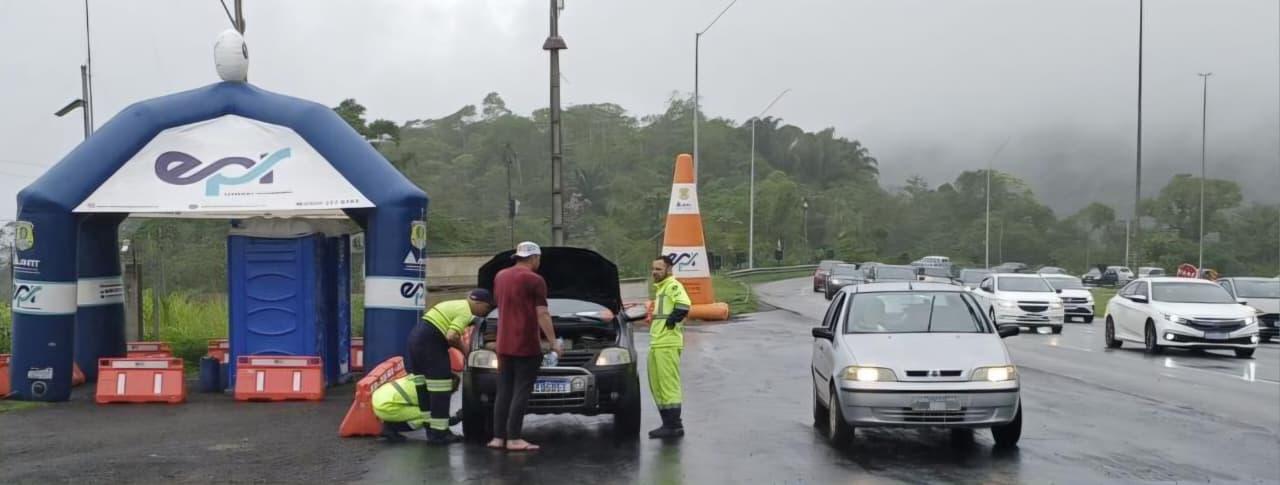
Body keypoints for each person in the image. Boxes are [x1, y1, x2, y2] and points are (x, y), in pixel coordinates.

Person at [486, 241, 560, 452]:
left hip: (503, 344)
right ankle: (515, 438)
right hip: (526, 344)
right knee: (521, 391)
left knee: (504, 391)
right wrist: (553, 343)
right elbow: (542, 313)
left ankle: (498, 437)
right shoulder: (535, 280)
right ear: (535, 258)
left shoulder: (500, 276)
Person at [402, 289, 494, 444]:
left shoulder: (454, 304)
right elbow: (451, 336)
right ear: (478, 303)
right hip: (431, 343)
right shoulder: (465, 311)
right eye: (486, 308)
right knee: (440, 388)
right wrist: (466, 351)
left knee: (423, 389)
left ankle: (432, 431)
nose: (485, 313)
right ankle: (440, 434)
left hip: (416, 339)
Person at [648, 255, 691, 439]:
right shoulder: (661, 289)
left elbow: (684, 304)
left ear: (669, 270)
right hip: (658, 342)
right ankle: (668, 424)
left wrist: (672, 321)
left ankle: (673, 425)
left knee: (668, 385)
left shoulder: (673, 285)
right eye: (653, 269)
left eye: (658, 269)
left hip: (667, 342)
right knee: (657, 385)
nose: (654, 272)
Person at [370, 373, 433, 444]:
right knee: (430, 415)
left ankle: (389, 424)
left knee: (421, 410)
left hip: (379, 400)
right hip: (388, 407)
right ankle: (391, 428)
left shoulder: (415, 379)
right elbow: (428, 406)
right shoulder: (422, 389)